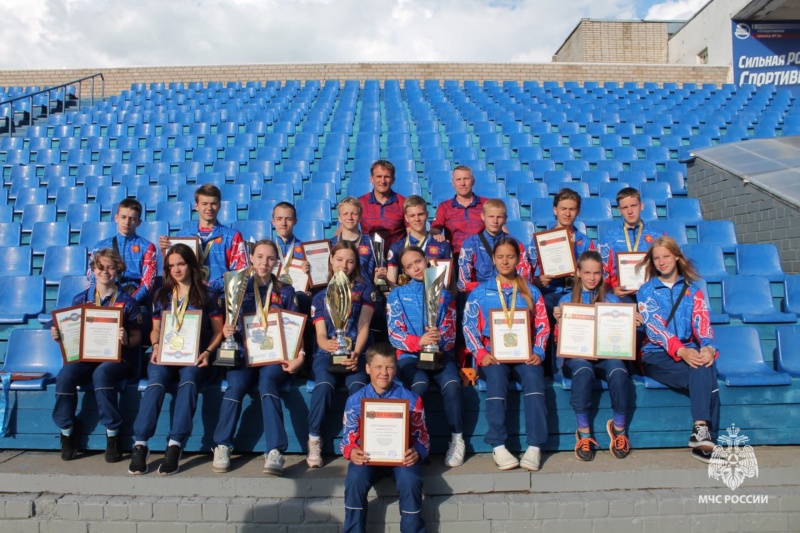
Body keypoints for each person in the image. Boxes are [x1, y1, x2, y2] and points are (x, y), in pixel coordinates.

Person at [128, 243, 224, 476]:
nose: (177, 270)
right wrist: (157, 345)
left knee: (189, 381)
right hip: (166, 355)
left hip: (196, 356)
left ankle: (175, 445)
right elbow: (155, 329)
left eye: (181, 264)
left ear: (192, 265)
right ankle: (140, 444)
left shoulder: (208, 294)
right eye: (172, 266)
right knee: (156, 381)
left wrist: (208, 352)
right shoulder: (161, 295)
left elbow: (220, 331)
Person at [211, 240, 304, 476]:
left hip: (273, 354)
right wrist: (227, 331)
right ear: (251, 258)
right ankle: (222, 444)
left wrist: (299, 356)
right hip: (243, 353)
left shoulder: (285, 290)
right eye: (260, 257)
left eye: (270, 258)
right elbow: (225, 320)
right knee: (236, 385)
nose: (264, 262)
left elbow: (294, 328)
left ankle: (275, 450)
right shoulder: (237, 286)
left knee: (267, 383)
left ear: (277, 262)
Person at [463, 237, 550, 471]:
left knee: (534, 378)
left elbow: (542, 324)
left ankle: (534, 447)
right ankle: (498, 446)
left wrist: (539, 351)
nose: (505, 261)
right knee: (496, 379)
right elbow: (468, 326)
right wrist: (480, 353)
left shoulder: (530, 291)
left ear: (518, 259)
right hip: (492, 354)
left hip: (524, 354)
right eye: (500, 256)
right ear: (493, 259)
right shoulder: (480, 293)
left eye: (510, 256)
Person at [51, 249, 141, 463]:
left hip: (119, 358)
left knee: (102, 374)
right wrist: (60, 336)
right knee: (65, 375)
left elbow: (138, 338)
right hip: (87, 357)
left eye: (110, 267)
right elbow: (74, 333)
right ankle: (67, 429)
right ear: (93, 269)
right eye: (101, 267)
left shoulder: (128, 302)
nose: (105, 271)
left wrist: (127, 338)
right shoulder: (80, 299)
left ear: (118, 270)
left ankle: (112, 434)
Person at [636, 236, 719, 463]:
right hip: (656, 354)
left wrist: (709, 347)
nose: (662, 262)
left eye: (666, 256)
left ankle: (701, 432)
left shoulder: (693, 290)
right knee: (706, 377)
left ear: (677, 257)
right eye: (656, 258)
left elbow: (703, 323)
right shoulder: (646, 291)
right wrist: (680, 351)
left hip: (688, 350)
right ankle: (708, 442)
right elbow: (654, 327)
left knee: (703, 363)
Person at [553, 250, 638, 461]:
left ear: (603, 274)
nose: (592, 278)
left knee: (619, 370)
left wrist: (631, 322)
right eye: (588, 272)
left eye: (597, 273)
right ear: (578, 273)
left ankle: (619, 429)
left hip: (606, 355)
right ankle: (583, 433)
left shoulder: (612, 301)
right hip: (577, 356)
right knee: (583, 370)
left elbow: (622, 335)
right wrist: (559, 322)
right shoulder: (565, 301)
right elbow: (559, 340)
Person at [387, 246, 464, 467]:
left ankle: (457, 438)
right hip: (410, 356)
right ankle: (412, 442)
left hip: (440, 353)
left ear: (426, 260)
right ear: (404, 271)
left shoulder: (446, 294)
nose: (415, 268)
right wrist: (417, 341)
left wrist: (440, 340)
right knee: (418, 386)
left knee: (452, 385)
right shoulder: (397, 295)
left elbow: (450, 331)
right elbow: (394, 332)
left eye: (418, 262)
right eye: (409, 266)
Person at [341, 343, 429, 533]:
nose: (384, 373)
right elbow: (346, 438)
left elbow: (423, 437)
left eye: (389, 367)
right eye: (378, 367)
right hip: (367, 457)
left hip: (401, 458)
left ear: (396, 369)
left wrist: (417, 452)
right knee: (354, 479)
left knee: (410, 480)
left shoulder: (411, 400)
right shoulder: (355, 401)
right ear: (367, 368)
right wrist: (351, 451)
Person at [307, 240, 377, 468]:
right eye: (339, 260)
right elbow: (319, 333)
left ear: (356, 264)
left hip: (356, 352)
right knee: (324, 385)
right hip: (326, 354)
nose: (344, 265)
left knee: (357, 387)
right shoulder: (320, 295)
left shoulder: (365, 290)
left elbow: (365, 324)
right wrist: (325, 343)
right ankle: (314, 439)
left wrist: (357, 352)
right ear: (331, 260)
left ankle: (358, 441)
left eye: (350, 261)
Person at [159, 184, 248, 293]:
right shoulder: (183, 235)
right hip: (190, 294)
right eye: (204, 204)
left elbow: (240, 273)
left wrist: (212, 285)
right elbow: (173, 267)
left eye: (213, 204)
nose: (209, 208)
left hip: (219, 296)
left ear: (219, 205)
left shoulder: (232, 236)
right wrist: (165, 250)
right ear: (196, 206)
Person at [527, 188, 594, 312]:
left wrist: (581, 277)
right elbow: (526, 271)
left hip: (576, 293)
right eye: (563, 209)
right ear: (555, 210)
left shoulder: (586, 243)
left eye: (572, 209)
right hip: (548, 292)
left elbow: (594, 272)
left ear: (578, 211)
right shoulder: (541, 240)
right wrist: (537, 282)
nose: (567, 214)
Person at [598, 187, 663, 302]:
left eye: (633, 205)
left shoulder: (657, 236)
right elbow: (602, 272)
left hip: (651, 293)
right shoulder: (608, 238)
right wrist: (612, 291)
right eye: (625, 207)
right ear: (619, 210)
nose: (630, 211)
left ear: (641, 206)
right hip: (620, 294)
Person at [91, 199, 157, 304]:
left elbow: (148, 282)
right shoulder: (100, 246)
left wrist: (130, 303)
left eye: (132, 219)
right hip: (105, 297)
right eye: (123, 217)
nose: (127, 222)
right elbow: (92, 276)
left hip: (134, 298)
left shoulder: (147, 247)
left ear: (139, 222)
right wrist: (100, 300)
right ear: (116, 218)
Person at [458, 199, 531, 294]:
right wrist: (491, 289)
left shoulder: (515, 244)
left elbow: (525, 278)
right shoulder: (470, 244)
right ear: (483, 216)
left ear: (505, 219)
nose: (495, 221)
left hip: (509, 294)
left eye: (499, 217)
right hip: (480, 295)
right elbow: (463, 283)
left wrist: (505, 288)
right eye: (491, 216)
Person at [387, 195, 452, 288]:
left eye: (420, 214)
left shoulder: (442, 245)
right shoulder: (397, 247)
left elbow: (451, 284)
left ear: (427, 214)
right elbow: (391, 283)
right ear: (406, 218)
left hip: (435, 299)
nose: (417, 219)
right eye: (412, 215)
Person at [431, 165, 487, 256]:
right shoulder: (444, 206)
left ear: (473, 181)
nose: (462, 183)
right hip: (456, 256)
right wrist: (437, 235)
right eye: (458, 179)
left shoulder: (486, 204)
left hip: (482, 256)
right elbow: (435, 229)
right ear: (453, 183)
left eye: (466, 179)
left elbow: (501, 229)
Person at [357, 160, 407, 250]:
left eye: (387, 177)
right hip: (369, 254)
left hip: (397, 256)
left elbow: (412, 232)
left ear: (393, 180)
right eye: (379, 176)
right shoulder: (360, 202)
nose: (382, 181)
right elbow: (346, 228)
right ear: (371, 178)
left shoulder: (404, 202)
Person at [330, 196, 377, 283]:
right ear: (339, 218)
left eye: (354, 214)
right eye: (345, 214)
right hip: (336, 292)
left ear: (360, 217)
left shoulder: (372, 243)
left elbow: (378, 276)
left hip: (363, 293)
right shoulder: (330, 244)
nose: (350, 217)